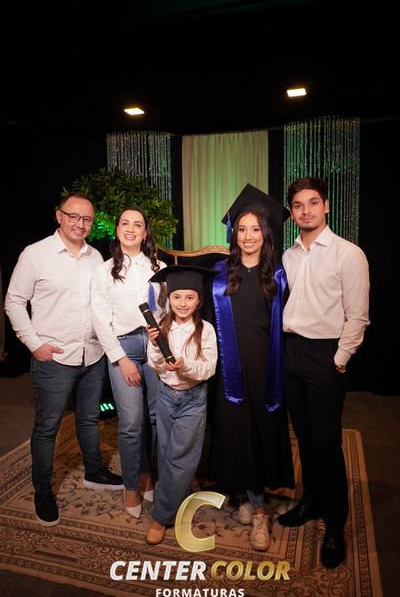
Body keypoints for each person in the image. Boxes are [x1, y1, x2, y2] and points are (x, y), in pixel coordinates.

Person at [4, 192, 123, 527]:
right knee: (47, 428)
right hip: (53, 358)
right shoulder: (35, 254)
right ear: (59, 216)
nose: (80, 224)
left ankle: (95, 472)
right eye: (73, 216)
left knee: (88, 419)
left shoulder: (95, 257)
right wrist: (34, 344)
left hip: (92, 355)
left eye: (87, 219)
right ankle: (43, 492)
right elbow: (14, 301)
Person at [278, 176, 370, 569]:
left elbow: (358, 315)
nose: (306, 211)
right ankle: (312, 500)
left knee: (326, 441)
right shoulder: (288, 256)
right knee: (303, 436)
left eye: (313, 202)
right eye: (298, 205)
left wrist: (339, 360)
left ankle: (335, 524)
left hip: (326, 356)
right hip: (291, 352)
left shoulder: (349, 254)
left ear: (326, 206)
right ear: (292, 212)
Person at [209, 184, 295, 552]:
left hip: (265, 369)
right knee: (236, 432)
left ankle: (258, 509)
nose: (247, 236)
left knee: (259, 432)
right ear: (234, 234)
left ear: (266, 233)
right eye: (241, 229)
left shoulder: (278, 275)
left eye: (255, 229)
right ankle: (248, 496)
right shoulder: (218, 275)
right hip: (230, 369)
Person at [90, 206, 166, 519]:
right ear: (117, 229)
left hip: (154, 346)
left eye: (137, 224)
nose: (131, 229)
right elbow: (99, 319)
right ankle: (131, 484)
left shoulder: (160, 267)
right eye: (125, 223)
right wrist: (121, 359)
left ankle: (148, 472)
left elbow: (166, 310)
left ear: (145, 233)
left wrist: (162, 336)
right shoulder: (104, 270)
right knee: (132, 422)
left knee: (154, 418)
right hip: (123, 347)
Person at [144, 265, 218, 545]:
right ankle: (180, 502)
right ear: (169, 298)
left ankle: (160, 517)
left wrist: (185, 365)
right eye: (177, 297)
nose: (183, 303)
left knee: (180, 458)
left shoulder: (205, 330)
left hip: (192, 400)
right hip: (165, 396)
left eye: (189, 297)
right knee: (166, 454)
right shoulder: (161, 326)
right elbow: (153, 363)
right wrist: (158, 352)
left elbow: (209, 368)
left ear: (198, 300)